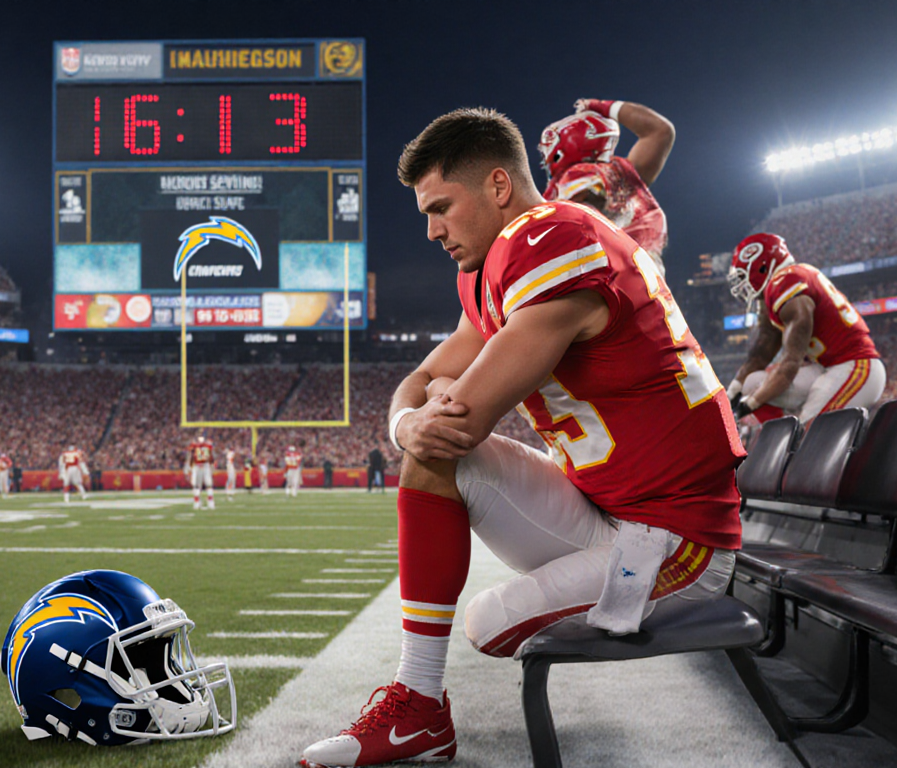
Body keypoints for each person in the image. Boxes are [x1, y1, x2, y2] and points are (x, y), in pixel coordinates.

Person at [299, 108, 742, 767]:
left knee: (488, 620)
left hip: (676, 541)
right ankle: (418, 708)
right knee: (432, 454)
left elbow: (463, 414)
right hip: (604, 506)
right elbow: (423, 381)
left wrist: (429, 415)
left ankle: (420, 706)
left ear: (499, 187)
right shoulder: (495, 264)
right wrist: (405, 421)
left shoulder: (553, 237)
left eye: (442, 207)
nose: (431, 230)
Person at [726, 233, 885, 424]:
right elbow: (761, 352)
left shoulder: (786, 283)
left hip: (855, 364)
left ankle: (793, 443)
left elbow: (788, 368)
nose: (743, 285)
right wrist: (734, 389)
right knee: (751, 383)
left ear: (763, 267)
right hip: (825, 367)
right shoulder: (782, 285)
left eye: (744, 276)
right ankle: (775, 440)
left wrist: (751, 403)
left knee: (808, 433)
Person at [540, 98, 673, 274]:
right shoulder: (622, 173)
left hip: (607, 285)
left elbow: (581, 211)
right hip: (644, 286)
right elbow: (660, 131)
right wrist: (604, 106)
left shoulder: (578, 174)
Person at [186, 432, 215, 510]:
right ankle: (205, 502)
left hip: (201, 465)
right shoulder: (204, 445)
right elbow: (211, 457)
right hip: (201, 465)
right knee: (202, 484)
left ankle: (202, 502)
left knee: (201, 484)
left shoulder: (196, 445)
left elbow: (210, 457)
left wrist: (190, 466)